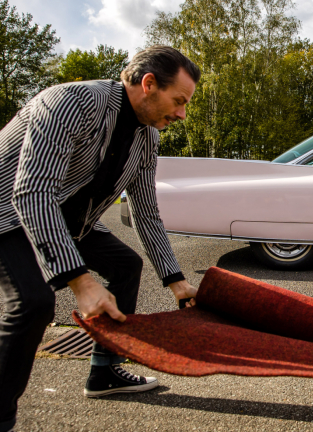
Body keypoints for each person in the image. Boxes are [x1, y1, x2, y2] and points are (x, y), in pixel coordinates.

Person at [0, 45, 201, 432]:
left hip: (70, 220)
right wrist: (81, 280)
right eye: (178, 101)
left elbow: (146, 211)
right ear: (148, 84)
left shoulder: (146, 138)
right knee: (32, 303)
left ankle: (104, 372)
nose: (181, 113)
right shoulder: (72, 102)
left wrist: (176, 281)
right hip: (7, 212)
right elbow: (32, 192)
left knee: (127, 265)